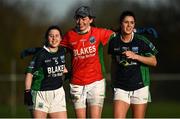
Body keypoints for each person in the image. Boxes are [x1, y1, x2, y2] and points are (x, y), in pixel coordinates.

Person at [60, 6, 114, 118]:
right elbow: (57, 52)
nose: (80, 22)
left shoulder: (99, 33)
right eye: (78, 18)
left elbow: (119, 36)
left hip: (96, 82)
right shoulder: (69, 35)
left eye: (84, 18)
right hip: (76, 84)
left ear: (90, 20)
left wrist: (137, 32)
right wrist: (63, 68)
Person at [108, 11, 158, 118]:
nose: (129, 25)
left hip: (140, 87)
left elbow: (154, 61)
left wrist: (136, 56)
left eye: (132, 22)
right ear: (121, 24)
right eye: (126, 22)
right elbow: (114, 63)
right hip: (120, 87)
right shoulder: (114, 42)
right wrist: (112, 82)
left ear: (134, 24)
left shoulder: (141, 41)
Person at [24, 25, 68, 118]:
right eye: (51, 36)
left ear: (61, 38)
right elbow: (29, 74)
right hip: (40, 94)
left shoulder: (62, 51)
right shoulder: (40, 55)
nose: (54, 38)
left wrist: (68, 73)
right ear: (47, 38)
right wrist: (27, 92)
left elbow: (60, 66)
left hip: (58, 93)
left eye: (57, 36)